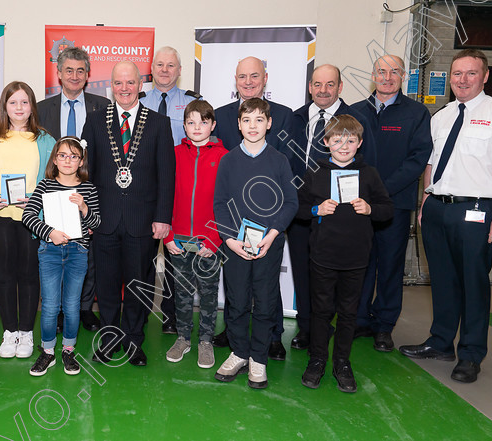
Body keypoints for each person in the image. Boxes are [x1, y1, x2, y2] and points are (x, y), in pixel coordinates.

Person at [399, 49, 492, 384]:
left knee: (473, 283)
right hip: (438, 207)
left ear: (485, 76)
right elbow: (431, 164)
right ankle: (441, 343)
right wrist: (426, 201)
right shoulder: (442, 116)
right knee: (441, 279)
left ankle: (470, 353)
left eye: (471, 73)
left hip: (478, 210)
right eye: (457, 74)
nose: (462, 80)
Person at [81, 61, 175, 367]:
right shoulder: (95, 121)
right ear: (111, 86)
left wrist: (163, 217)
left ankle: (134, 341)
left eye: (130, 83)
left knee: (139, 285)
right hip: (104, 221)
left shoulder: (159, 123)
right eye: (118, 83)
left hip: (143, 222)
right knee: (106, 286)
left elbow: (167, 175)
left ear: (140, 85)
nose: (124, 89)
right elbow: (86, 173)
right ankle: (109, 339)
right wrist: (88, 216)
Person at [296, 115, 393, 393]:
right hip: (323, 255)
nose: (344, 145)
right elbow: (299, 209)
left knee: (349, 313)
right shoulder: (314, 173)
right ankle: (317, 359)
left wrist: (371, 208)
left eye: (350, 140)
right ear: (326, 142)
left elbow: (388, 209)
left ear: (359, 143)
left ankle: (342, 361)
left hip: (356, 258)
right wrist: (316, 210)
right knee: (321, 311)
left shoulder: (370, 174)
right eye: (337, 140)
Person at [284, 64, 377, 352]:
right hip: (304, 210)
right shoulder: (296, 118)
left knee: (339, 279)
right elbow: (285, 161)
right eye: (317, 84)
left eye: (330, 84)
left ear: (339, 87)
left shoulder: (356, 120)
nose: (323, 90)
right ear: (310, 87)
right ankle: (308, 328)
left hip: (342, 216)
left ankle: (337, 329)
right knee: (303, 271)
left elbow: (368, 164)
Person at [210, 56, 293, 356]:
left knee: (267, 291)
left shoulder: (285, 116)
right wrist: (230, 236)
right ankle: (236, 343)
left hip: (269, 223)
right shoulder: (220, 116)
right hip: (236, 226)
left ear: (265, 78)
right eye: (242, 76)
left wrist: (272, 228)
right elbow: (221, 189)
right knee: (237, 291)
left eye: (254, 75)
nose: (248, 81)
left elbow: (288, 184)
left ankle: (271, 338)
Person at [0, 81, 55, 359]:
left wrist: (37, 199)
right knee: (3, 277)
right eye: (13, 102)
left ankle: (27, 332)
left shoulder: (46, 140)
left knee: (29, 276)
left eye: (25, 102)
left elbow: (55, 179)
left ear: (32, 107)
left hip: (33, 219)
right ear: (5, 106)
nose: (19, 108)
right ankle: (10, 332)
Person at [350, 55, 432, 352]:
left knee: (390, 266)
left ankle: (384, 326)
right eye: (381, 71)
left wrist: (381, 190)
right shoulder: (356, 111)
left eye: (394, 71)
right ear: (373, 75)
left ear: (403, 76)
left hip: (395, 205)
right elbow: (344, 155)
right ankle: (359, 320)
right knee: (361, 263)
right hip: (357, 204)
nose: (387, 77)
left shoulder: (416, 113)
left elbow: (417, 159)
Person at [37, 46, 110, 333]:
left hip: (89, 189)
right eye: (69, 70)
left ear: (88, 74)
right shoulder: (42, 109)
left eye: (81, 70)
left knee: (86, 254)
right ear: (58, 73)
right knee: (56, 249)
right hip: (53, 189)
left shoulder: (102, 106)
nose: (75, 76)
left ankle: (83, 309)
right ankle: (54, 312)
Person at [22, 136, 100, 376]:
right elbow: (28, 216)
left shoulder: (88, 188)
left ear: (81, 161)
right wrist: (50, 232)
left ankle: (68, 350)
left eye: (73, 156)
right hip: (50, 251)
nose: (68, 160)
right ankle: (47, 352)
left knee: (72, 305)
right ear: (54, 159)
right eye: (62, 155)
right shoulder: (45, 185)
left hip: (78, 252)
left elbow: (96, 223)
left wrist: (84, 208)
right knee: (50, 306)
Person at [140, 46, 201, 335]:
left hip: (179, 189)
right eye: (160, 65)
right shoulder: (138, 101)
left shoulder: (192, 103)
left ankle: (172, 315)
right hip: (143, 189)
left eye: (171, 65)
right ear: (152, 68)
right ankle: (139, 314)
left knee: (177, 255)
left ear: (179, 70)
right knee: (146, 255)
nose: (165, 70)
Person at [162, 100, 226, 368]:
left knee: (209, 294)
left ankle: (206, 341)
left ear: (212, 125)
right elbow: (163, 195)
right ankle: (183, 338)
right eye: (191, 122)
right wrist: (168, 236)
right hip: (178, 240)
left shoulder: (225, 157)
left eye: (203, 122)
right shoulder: (173, 154)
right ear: (184, 125)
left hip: (209, 242)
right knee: (182, 292)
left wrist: (215, 240)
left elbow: (229, 203)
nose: (197, 127)